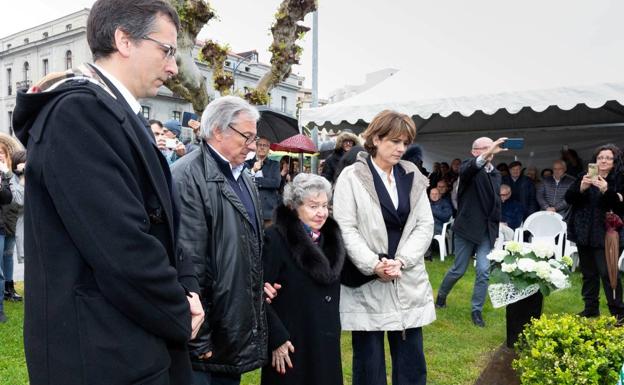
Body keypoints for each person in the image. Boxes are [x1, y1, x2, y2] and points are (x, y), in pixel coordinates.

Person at [12, 1, 204, 383]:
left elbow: (163, 227)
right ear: (124, 40)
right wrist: (178, 307)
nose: (173, 66)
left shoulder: (112, 113)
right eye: (166, 50)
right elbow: (120, 246)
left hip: (125, 340)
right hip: (102, 352)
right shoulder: (78, 114)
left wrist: (188, 287)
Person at [172, 96, 273, 385]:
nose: (253, 146)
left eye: (255, 138)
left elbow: (246, 245)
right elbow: (189, 264)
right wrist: (198, 343)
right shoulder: (187, 176)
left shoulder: (242, 177)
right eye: (247, 136)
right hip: (204, 341)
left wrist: (257, 282)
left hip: (230, 333)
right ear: (218, 130)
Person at [333, 110, 435, 385]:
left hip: (406, 280)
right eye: (395, 141)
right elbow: (346, 227)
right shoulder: (351, 177)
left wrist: (401, 261)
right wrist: (374, 264)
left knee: (412, 363)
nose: (401, 148)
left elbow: (424, 225)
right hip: (367, 281)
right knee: (369, 365)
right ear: (375, 139)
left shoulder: (413, 175)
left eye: (406, 142)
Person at [261, 174, 345, 385]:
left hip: (325, 338)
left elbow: (347, 274)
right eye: (313, 206)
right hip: (291, 342)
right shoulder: (275, 238)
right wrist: (277, 338)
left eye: (325, 205)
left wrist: (378, 265)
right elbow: (258, 294)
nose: (321, 213)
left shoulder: (331, 238)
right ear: (293, 206)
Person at [436, 137, 506, 327]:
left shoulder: (496, 174)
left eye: (491, 147)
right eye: (485, 148)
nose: (490, 151)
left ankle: (476, 311)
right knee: (458, 270)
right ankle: (441, 296)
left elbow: (496, 203)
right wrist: (489, 151)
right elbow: (471, 169)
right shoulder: (468, 167)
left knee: (483, 271)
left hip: (486, 231)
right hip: (466, 228)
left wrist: (496, 228)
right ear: (474, 151)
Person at [565, 143, 624, 323]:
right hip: (584, 232)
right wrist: (581, 188)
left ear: (615, 161)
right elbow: (569, 199)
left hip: (608, 235)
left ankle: (618, 312)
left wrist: (606, 189)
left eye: (608, 158)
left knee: (608, 273)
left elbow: (619, 205)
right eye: (600, 157)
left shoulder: (620, 179)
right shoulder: (585, 176)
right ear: (595, 161)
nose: (603, 160)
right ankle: (590, 308)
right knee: (588, 274)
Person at [0, 137, 24, 302]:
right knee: (2, 254)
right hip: (3, 216)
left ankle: (9, 286)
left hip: (12, 215)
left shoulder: (11, 171)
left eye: (2, 152)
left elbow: (18, 194)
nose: (0, 155)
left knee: (8, 254)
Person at [245, 137, 282, 226]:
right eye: (259, 145)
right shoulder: (247, 163)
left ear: (269, 148)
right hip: (251, 208)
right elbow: (244, 181)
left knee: (269, 237)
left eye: (265, 145)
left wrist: (255, 180)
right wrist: (253, 170)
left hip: (268, 210)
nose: (262, 147)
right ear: (256, 147)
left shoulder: (274, 164)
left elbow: (276, 183)